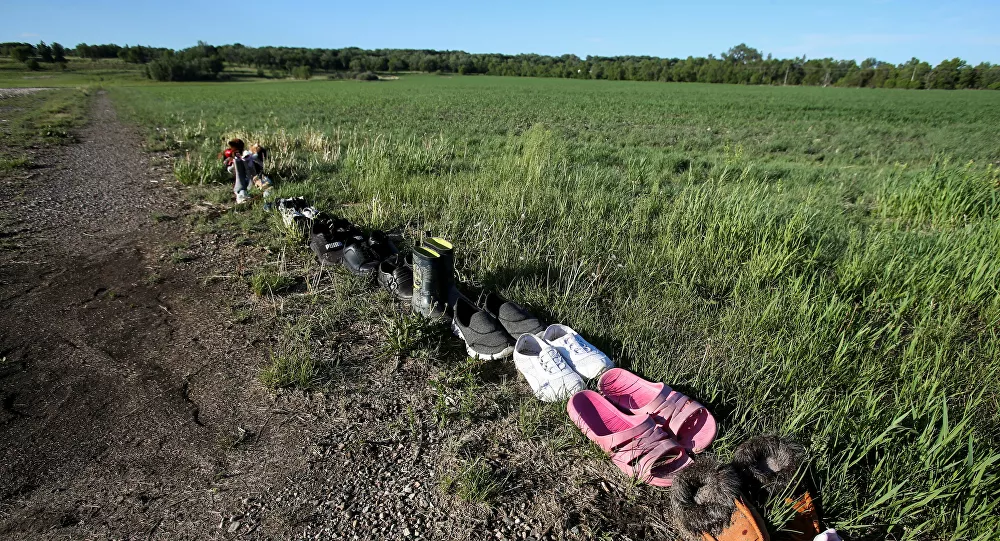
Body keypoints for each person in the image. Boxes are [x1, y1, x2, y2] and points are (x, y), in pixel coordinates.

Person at [224, 138, 256, 204]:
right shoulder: (233, 156)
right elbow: (230, 168)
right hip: (242, 178)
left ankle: (244, 190)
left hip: (248, 177)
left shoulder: (245, 154)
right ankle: (243, 191)